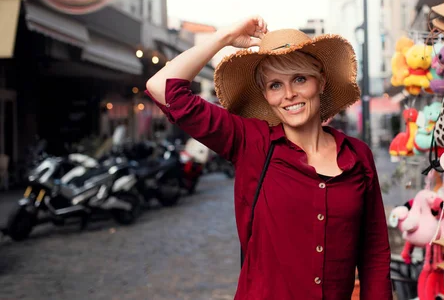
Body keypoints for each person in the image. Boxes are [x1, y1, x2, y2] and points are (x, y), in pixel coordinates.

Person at [146, 16, 392, 299]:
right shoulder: (251, 141)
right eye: (275, 85)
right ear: (265, 94)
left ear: (320, 82)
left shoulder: (358, 156)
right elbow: (162, 87)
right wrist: (223, 38)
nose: (289, 94)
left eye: (299, 79)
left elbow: (374, 254)